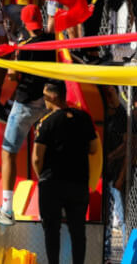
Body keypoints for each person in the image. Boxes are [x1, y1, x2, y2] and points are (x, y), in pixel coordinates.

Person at [0, 5, 55, 225]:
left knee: (8, 153)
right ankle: (48, 207)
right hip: (46, 103)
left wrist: (10, 61)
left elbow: (14, 76)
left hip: (26, 104)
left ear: (25, 24)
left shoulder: (24, 46)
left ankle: (7, 209)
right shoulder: (52, 41)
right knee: (42, 153)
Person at [33, 80, 99, 264]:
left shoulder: (46, 122)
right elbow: (94, 148)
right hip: (78, 183)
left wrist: (43, 177)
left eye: (45, 96)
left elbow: (37, 157)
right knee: (78, 231)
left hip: (52, 184)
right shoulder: (84, 117)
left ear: (54, 96)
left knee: (52, 230)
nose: (44, 100)